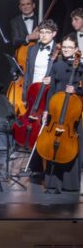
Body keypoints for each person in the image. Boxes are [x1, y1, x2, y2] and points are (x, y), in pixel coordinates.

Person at [38, 35, 83, 191]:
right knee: (51, 144)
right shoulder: (57, 65)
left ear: (76, 49)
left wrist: (76, 90)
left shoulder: (81, 67)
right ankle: (51, 182)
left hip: (72, 113)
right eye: (64, 47)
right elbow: (51, 90)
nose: (66, 50)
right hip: (56, 112)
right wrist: (46, 110)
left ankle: (69, 184)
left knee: (70, 147)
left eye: (69, 48)